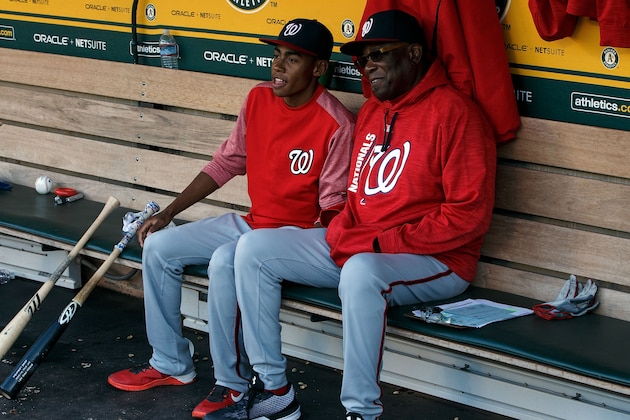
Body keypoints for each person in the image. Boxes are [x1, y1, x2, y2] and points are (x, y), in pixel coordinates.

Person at [203, 9, 497, 420]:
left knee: (361, 273)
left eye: (380, 53)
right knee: (250, 249)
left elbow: (468, 217)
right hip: (366, 245)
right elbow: (354, 194)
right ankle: (275, 391)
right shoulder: (375, 111)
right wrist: (343, 227)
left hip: (438, 259)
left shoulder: (455, 115)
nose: (369, 65)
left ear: (413, 54)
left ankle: (362, 412)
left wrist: (377, 242)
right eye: (362, 58)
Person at [106, 18, 356, 419]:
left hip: (292, 239)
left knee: (227, 260)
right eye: (277, 55)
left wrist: (294, 255)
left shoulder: (336, 122)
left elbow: (332, 212)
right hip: (253, 221)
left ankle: (234, 386)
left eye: (293, 59)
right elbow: (226, 163)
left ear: (319, 68)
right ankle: (170, 363)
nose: (279, 66)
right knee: (159, 245)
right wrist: (169, 213)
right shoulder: (258, 98)